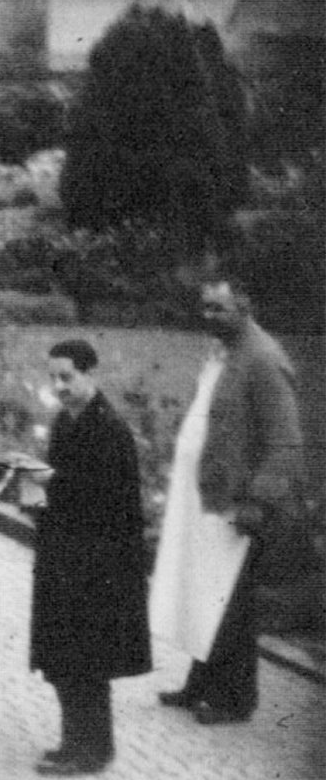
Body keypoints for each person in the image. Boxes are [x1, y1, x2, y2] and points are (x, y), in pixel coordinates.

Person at [150, 273, 305, 725]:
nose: (208, 315)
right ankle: (199, 683)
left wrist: (257, 503)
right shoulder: (223, 352)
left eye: (218, 307)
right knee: (205, 593)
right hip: (206, 497)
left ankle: (236, 699)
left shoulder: (264, 359)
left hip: (237, 505)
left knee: (230, 602)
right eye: (205, 306)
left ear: (244, 303)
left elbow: (286, 443)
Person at [26, 339, 152, 776]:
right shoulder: (66, 420)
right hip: (65, 558)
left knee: (88, 662)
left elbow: (107, 500)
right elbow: (65, 488)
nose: (59, 386)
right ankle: (72, 741)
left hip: (98, 566)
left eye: (67, 377)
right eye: (53, 378)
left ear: (90, 374)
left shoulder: (108, 428)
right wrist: (37, 495)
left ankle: (93, 750)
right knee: (64, 658)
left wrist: (52, 484)